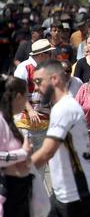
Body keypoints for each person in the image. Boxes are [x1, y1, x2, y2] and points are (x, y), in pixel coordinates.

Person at [31, 60, 90, 217]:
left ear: (54, 79)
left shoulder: (64, 108)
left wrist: (14, 172)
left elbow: (46, 152)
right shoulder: (62, 107)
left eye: (38, 82)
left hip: (81, 198)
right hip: (64, 195)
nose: (35, 88)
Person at [0, 76, 32, 217]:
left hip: (19, 195)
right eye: (26, 97)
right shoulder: (1, 122)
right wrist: (23, 154)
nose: (27, 102)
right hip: (7, 197)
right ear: (18, 96)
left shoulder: (10, 121)